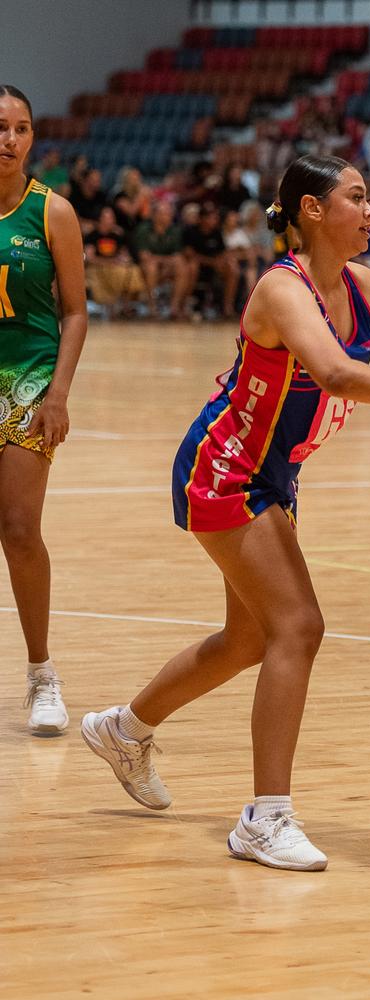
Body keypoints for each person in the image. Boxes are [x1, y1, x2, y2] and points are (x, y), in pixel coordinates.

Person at [80, 154, 370, 872]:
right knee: (300, 626)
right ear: (310, 209)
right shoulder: (282, 289)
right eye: (356, 198)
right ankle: (264, 819)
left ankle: (125, 728)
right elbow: (336, 372)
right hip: (225, 466)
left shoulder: (366, 287)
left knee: (250, 640)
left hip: (274, 475)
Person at [0, 85, 87, 733]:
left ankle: (41, 675)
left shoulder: (52, 212)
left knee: (20, 529)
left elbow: (77, 311)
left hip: (28, 377)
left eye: (20, 128)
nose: (8, 140)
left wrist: (58, 392)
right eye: (0, 128)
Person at [84, 206, 145, 317]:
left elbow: (124, 253)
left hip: (116, 267)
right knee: (118, 272)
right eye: (107, 217)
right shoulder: (92, 236)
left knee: (133, 270)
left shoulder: (118, 235)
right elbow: (90, 258)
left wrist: (124, 259)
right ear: (100, 219)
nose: (111, 220)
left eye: (112, 217)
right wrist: (111, 262)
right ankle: (112, 306)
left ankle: (124, 306)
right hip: (98, 268)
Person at [133, 201, 190, 320]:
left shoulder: (174, 231)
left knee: (183, 266)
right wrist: (166, 261)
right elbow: (144, 256)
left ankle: (174, 307)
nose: (169, 216)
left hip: (167, 267)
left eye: (170, 213)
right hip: (145, 269)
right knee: (151, 267)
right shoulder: (144, 229)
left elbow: (178, 256)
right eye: (165, 213)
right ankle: (152, 307)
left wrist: (162, 261)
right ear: (155, 215)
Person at [182, 202, 239, 320]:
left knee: (233, 268)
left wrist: (221, 261)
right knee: (192, 266)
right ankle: (184, 305)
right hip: (196, 267)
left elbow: (223, 253)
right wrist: (213, 262)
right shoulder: (190, 232)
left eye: (215, 217)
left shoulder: (217, 233)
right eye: (212, 217)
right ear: (202, 218)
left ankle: (227, 307)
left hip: (213, 267)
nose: (215, 219)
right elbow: (190, 255)